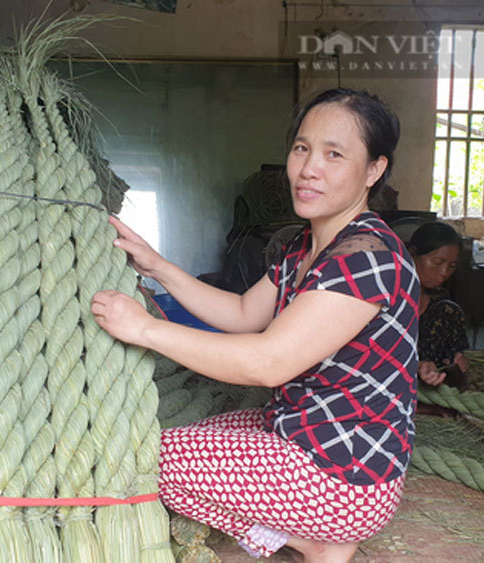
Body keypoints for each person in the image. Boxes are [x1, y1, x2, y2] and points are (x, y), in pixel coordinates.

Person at [90, 88, 419, 563]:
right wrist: (156, 265)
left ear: (374, 169)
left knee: (153, 461)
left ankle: (322, 535)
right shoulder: (305, 245)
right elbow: (245, 313)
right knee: (175, 444)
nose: (309, 168)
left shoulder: (368, 259)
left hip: (345, 475)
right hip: (301, 433)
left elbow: (267, 362)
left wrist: (145, 329)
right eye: (302, 148)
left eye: (334, 154)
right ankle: (317, 540)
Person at [406, 221, 470, 388]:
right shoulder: (387, 303)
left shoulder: (446, 313)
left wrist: (457, 367)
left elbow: (457, 380)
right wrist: (416, 367)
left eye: (452, 266)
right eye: (437, 262)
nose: (444, 273)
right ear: (412, 254)